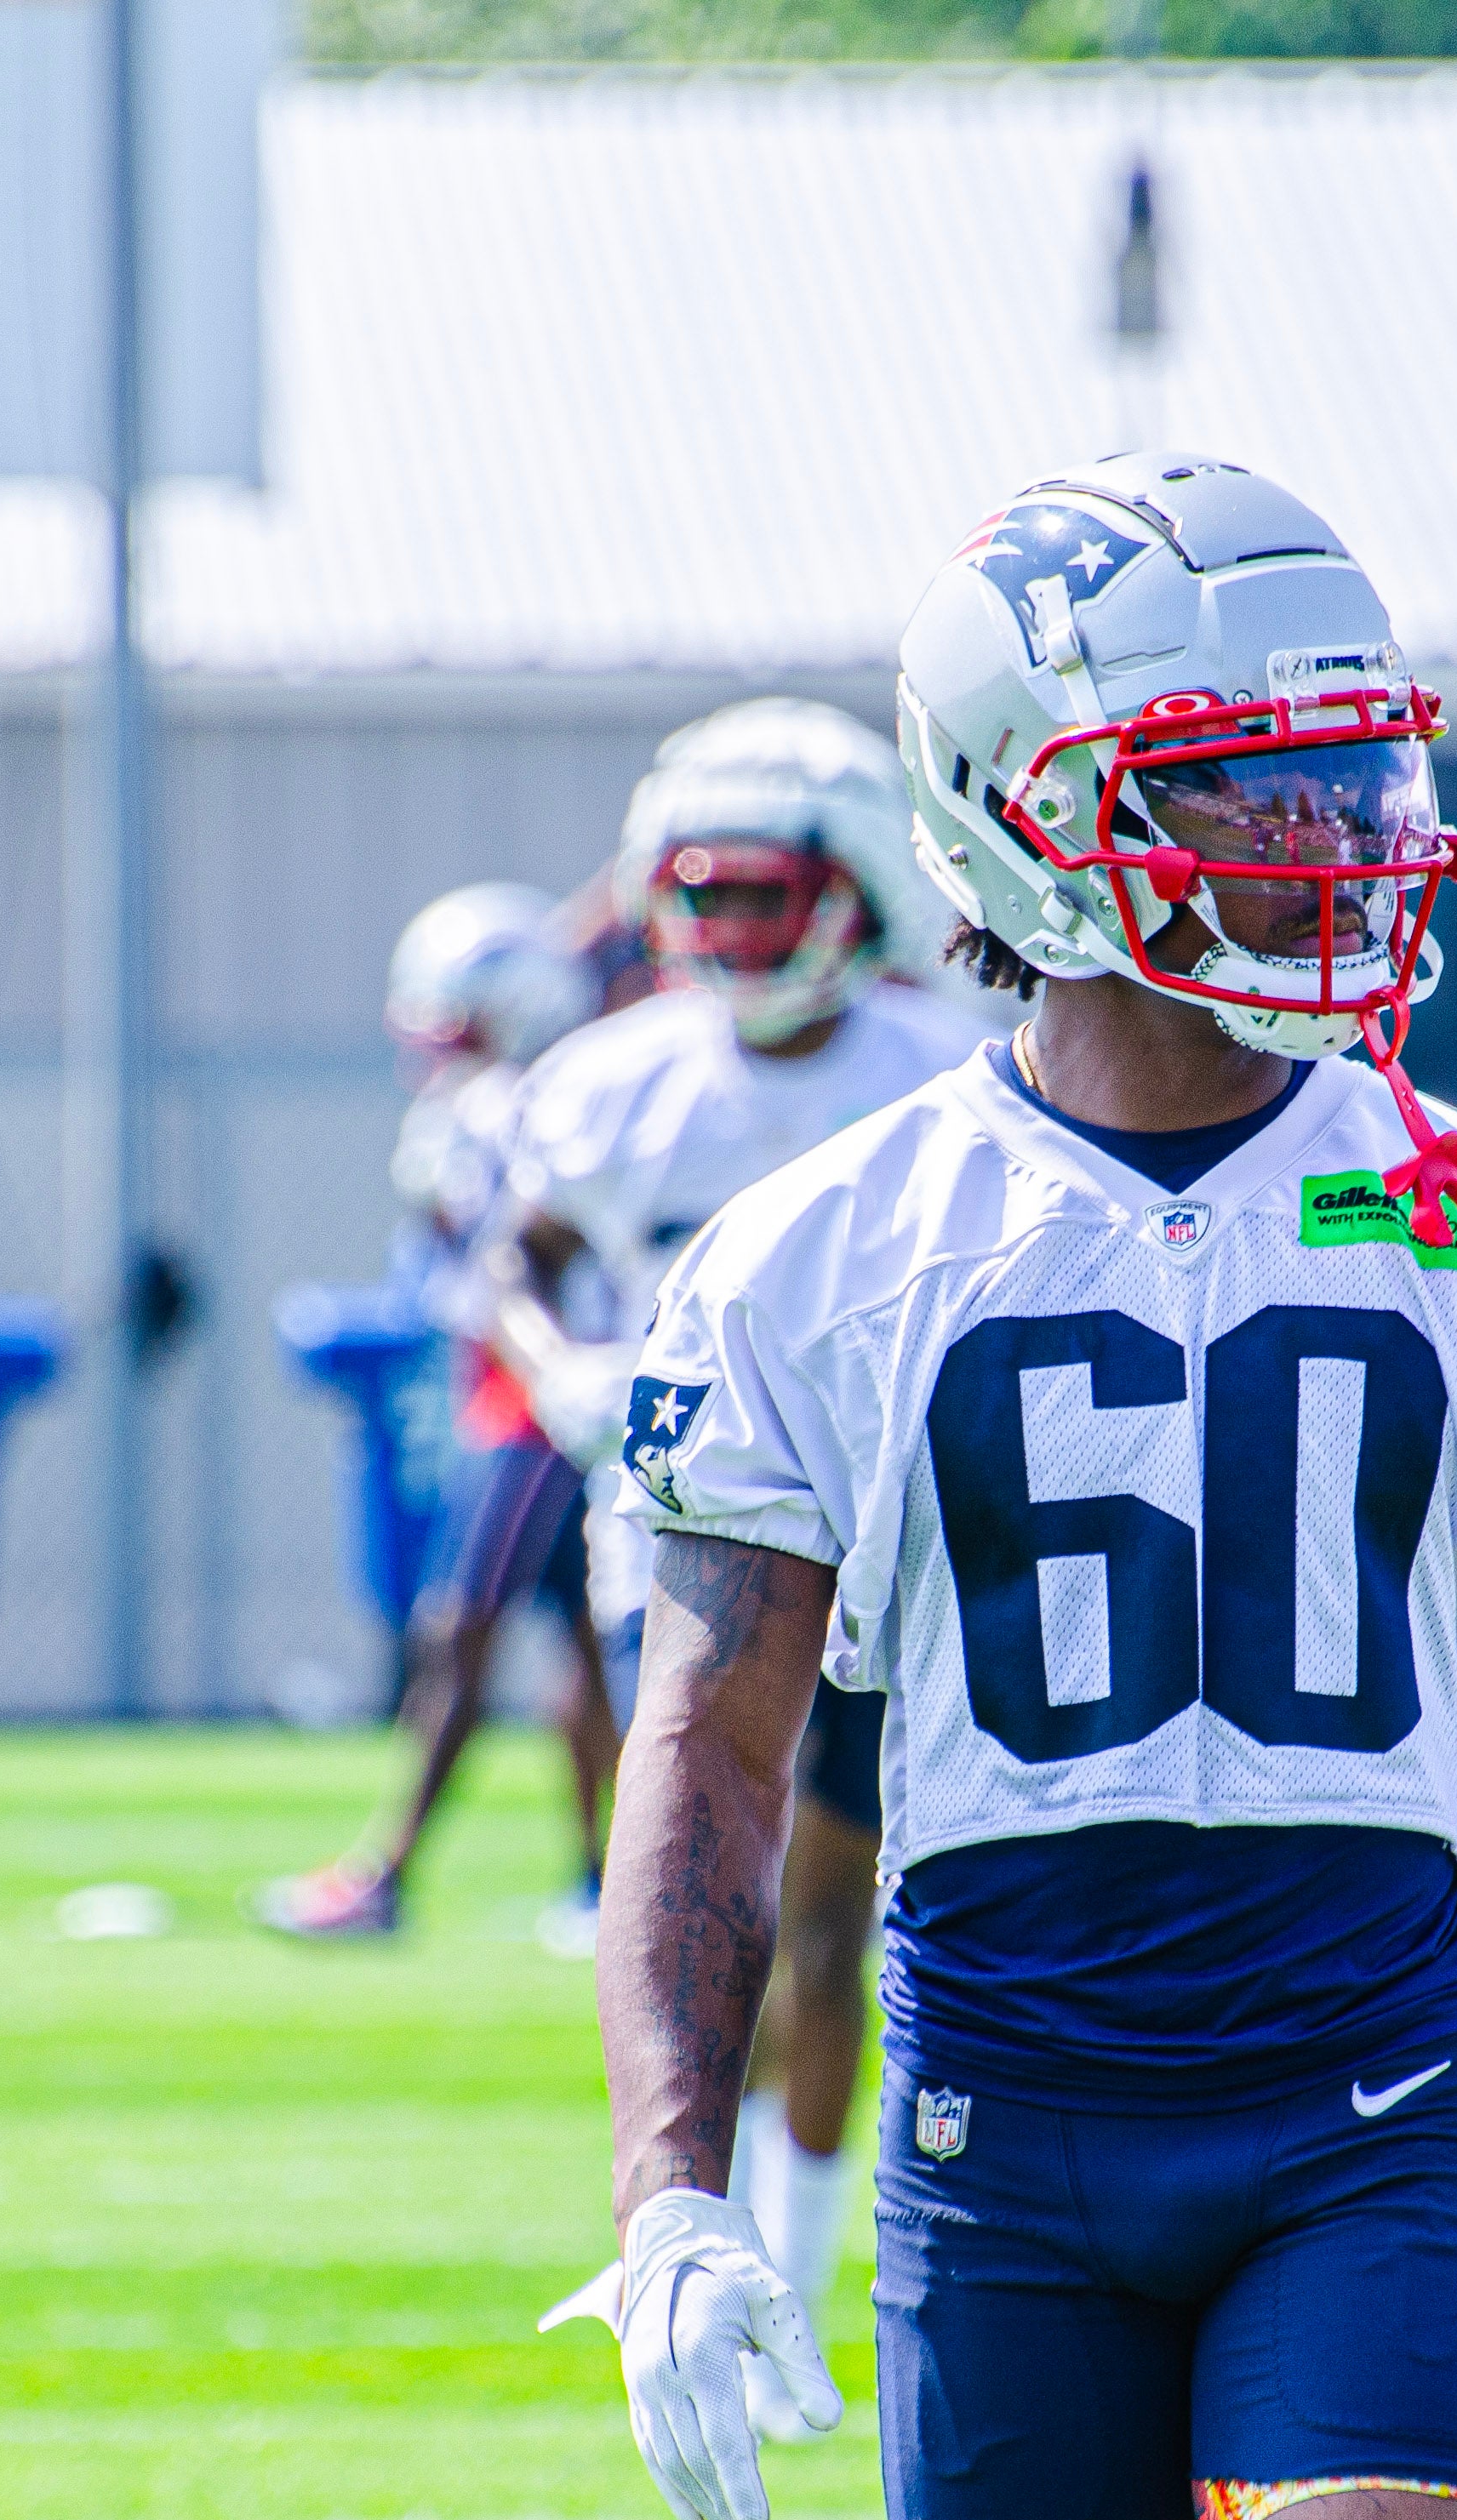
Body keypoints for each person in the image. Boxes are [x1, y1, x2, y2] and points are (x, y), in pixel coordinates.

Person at [580, 457, 1457, 2520]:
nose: (1331, 845)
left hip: (1369, 2091)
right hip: (996, 2122)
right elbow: (709, 1753)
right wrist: (673, 2187)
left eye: (1350, 779)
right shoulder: (822, 1251)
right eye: (1245, 793)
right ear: (1019, 817)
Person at [479, 696, 980, 2307]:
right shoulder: (610, 1083)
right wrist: (557, 1360)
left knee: (833, 1922)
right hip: (683, 1545)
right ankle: (716, 2243)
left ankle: (811, 2275)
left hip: (899, 1544)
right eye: (698, 891)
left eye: (762, 890)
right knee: (716, 1913)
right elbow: (522, 1260)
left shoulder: (950, 1071)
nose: (725, 928)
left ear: (851, 895)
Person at [251, 879, 613, 1945]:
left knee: (465, 1630)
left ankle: (389, 1870)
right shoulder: (523, 1098)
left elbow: (497, 1267)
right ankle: (600, 1877)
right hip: (534, 1394)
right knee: (585, 1648)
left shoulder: (528, 1107)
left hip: (541, 1402)